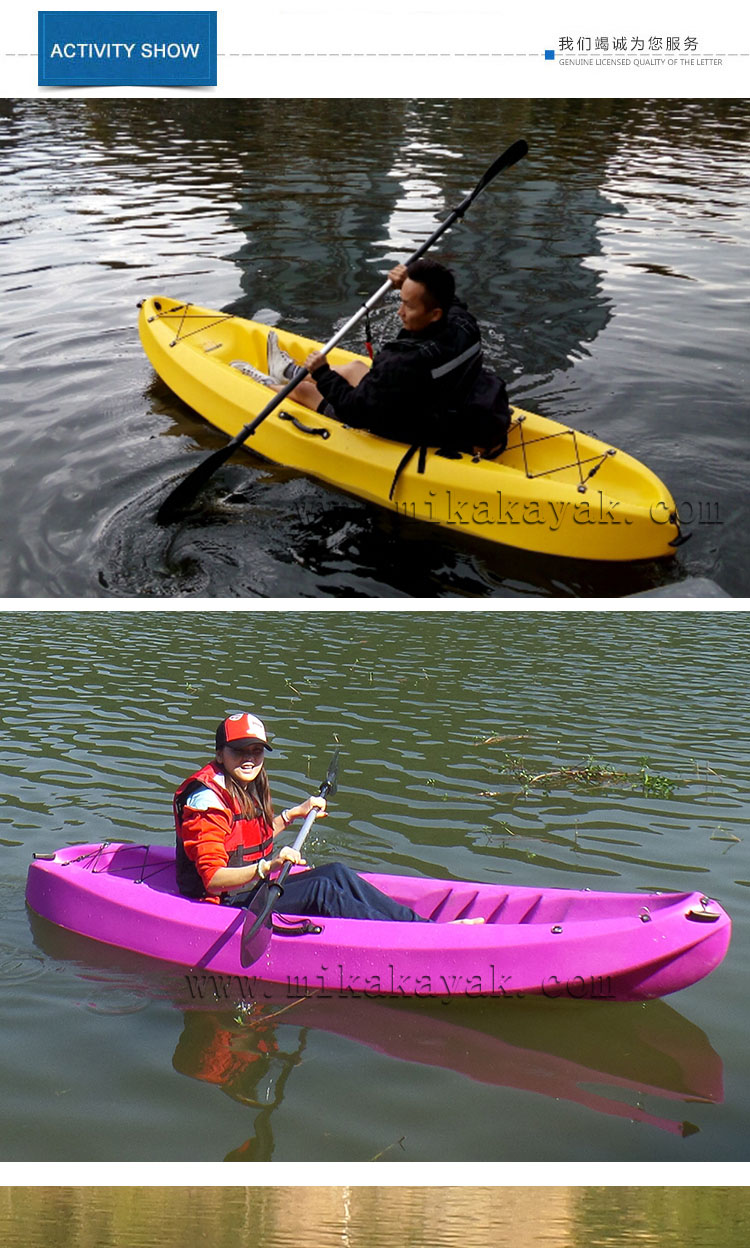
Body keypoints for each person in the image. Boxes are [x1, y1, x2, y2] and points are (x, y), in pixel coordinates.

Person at [174, 712, 482, 923]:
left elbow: (247, 837)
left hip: (248, 886)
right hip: (222, 903)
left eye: (256, 751)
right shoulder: (207, 800)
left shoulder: (242, 782)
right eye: (239, 751)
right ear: (220, 754)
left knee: (336, 872)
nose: (250, 759)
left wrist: (294, 813)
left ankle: (423, 927)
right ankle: (420, 936)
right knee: (321, 891)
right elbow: (213, 881)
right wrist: (268, 866)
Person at [247, 259, 510, 457]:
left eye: (409, 305)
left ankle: (261, 383)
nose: (400, 312)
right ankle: (290, 371)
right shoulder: (465, 324)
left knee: (305, 391)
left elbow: (354, 411)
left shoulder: (402, 362)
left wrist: (323, 373)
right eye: (402, 299)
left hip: (416, 424)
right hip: (438, 403)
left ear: (435, 314)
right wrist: (408, 280)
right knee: (355, 367)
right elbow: (449, 299)